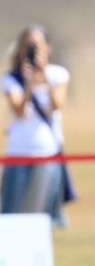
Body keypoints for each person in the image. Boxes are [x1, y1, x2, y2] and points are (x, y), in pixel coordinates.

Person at [1, 25, 70, 227]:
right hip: (18, 153)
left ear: (48, 48)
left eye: (39, 45)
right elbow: (20, 111)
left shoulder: (58, 74)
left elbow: (56, 105)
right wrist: (29, 83)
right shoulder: (11, 79)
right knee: (11, 214)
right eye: (30, 46)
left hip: (47, 154)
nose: (35, 50)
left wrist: (44, 77)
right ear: (21, 49)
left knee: (40, 216)